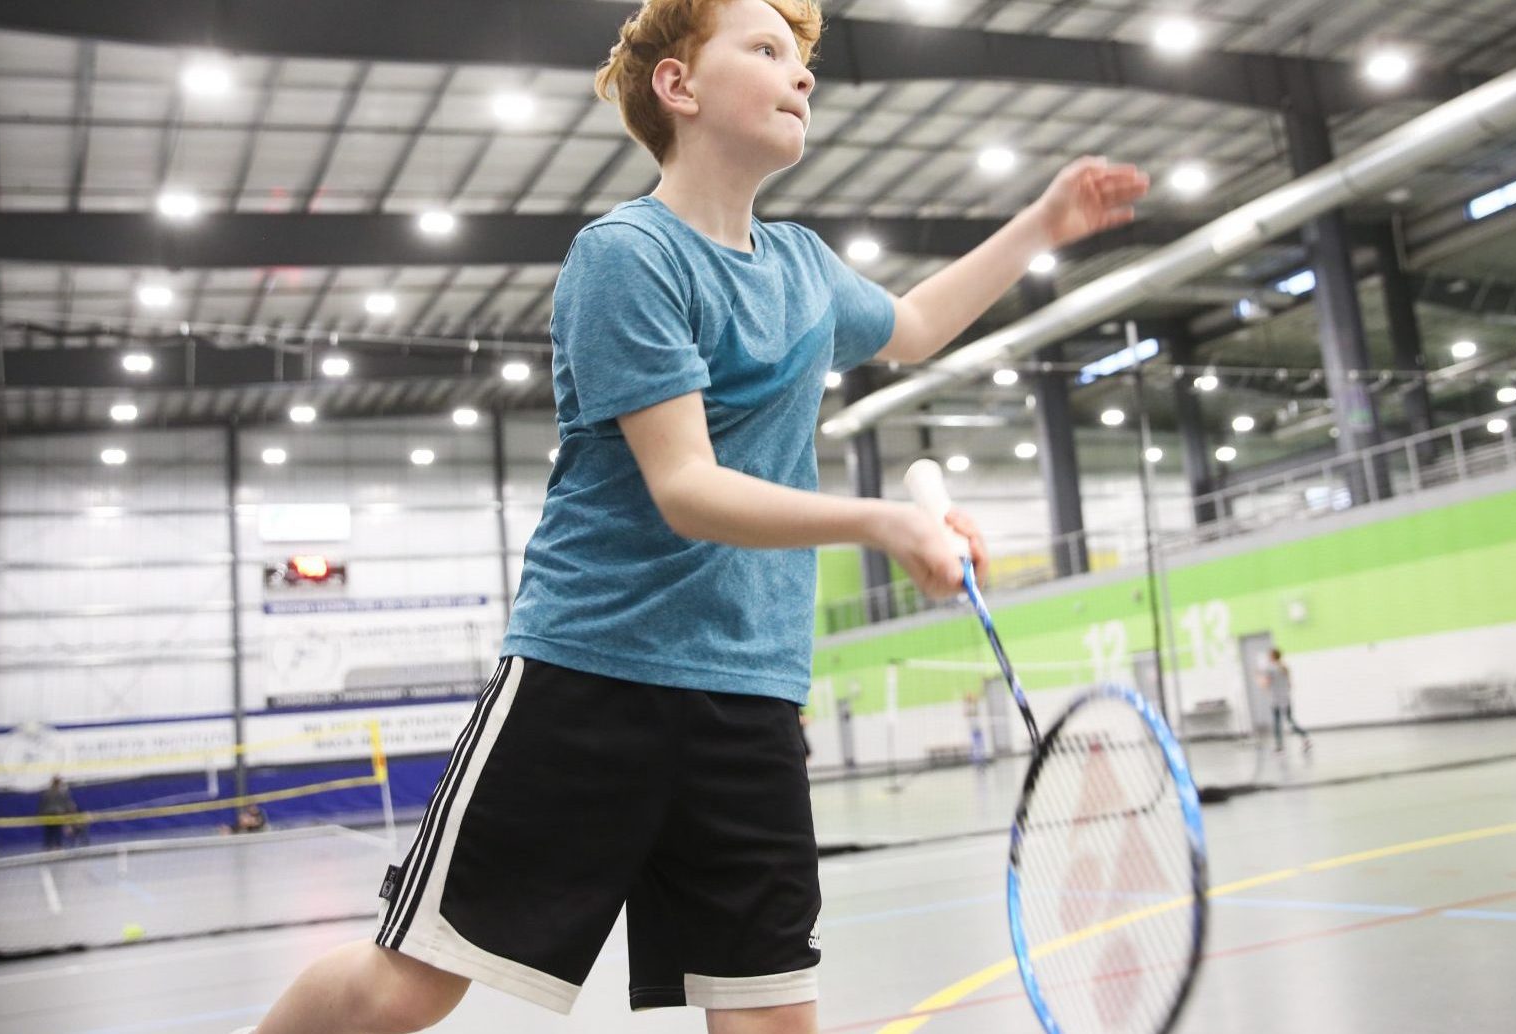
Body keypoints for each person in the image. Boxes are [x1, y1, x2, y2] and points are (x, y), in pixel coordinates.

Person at [236, 2, 1144, 1032]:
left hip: (751, 693)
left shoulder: (802, 267)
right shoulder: (628, 257)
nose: (801, 75)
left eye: (801, 59)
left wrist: (1042, 224)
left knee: (769, 1013)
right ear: (678, 87)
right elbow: (686, 486)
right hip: (591, 677)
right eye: (764, 50)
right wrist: (884, 522)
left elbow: (920, 324)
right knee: (408, 982)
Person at [1260, 648, 1313, 754]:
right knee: (1290, 721)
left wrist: (1257, 678)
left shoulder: (1270, 669)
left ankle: (1279, 747)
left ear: (1272, 656)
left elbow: (1265, 685)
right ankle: (1305, 737)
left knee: (1277, 724)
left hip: (1276, 700)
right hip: (1286, 699)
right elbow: (1290, 685)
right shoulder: (1284, 667)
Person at [38, 775, 77, 851]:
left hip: (47, 814)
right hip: (57, 814)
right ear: (59, 783)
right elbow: (67, 803)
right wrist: (71, 810)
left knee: (49, 831)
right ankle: (57, 846)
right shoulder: (62, 792)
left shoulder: (46, 793)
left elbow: (42, 804)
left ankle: (48, 846)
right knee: (57, 831)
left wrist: (41, 813)